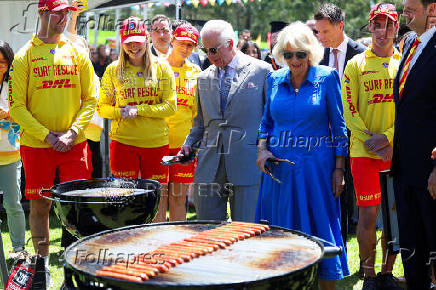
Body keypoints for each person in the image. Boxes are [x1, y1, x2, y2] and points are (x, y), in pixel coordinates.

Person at [255, 21, 349, 290]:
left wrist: (339, 170)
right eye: (288, 54)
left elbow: (339, 127)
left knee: (318, 229)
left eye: (300, 54)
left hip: (316, 171)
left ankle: (325, 283)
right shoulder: (273, 79)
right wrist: (262, 150)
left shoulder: (327, 77)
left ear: (310, 52)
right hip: (279, 171)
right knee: (280, 232)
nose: (294, 60)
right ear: (280, 55)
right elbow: (266, 123)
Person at [9, 0, 96, 283]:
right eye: (58, 12)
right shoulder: (24, 56)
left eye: (66, 13)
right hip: (37, 145)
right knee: (40, 204)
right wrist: (46, 134)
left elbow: (91, 98)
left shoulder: (77, 51)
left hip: (75, 143)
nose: (63, 17)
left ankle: (74, 266)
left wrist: (72, 132)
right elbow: (18, 107)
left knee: (76, 204)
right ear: (42, 13)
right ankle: (42, 265)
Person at [180, 20, 271, 222]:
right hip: (209, 166)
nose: (209, 56)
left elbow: (270, 119)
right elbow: (200, 123)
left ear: (230, 44)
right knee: (206, 232)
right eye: (205, 50)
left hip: (247, 164)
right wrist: (188, 145)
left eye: (213, 50)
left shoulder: (262, 71)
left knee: (246, 231)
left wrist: (265, 149)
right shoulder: (203, 78)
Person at [341, 3, 402, 289]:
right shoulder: (355, 64)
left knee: (393, 215)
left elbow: (409, 109)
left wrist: (388, 137)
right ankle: (368, 274)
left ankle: (388, 272)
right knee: (368, 213)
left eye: (388, 24)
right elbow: (348, 109)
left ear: (396, 27)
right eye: (377, 24)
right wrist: (371, 140)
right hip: (364, 151)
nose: (383, 31)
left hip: (396, 150)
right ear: (371, 27)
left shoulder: (403, 63)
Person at [98, 16, 176, 184]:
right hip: (123, 144)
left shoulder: (161, 67)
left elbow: (171, 107)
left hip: (156, 143)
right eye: (128, 42)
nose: (133, 47)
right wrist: (120, 112)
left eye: (138, 41)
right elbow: (101, 108)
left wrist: (138, 110)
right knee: (124, 200)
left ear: (146, 40)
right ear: (122, 42)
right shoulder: (113, 70)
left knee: (157, 199)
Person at [391, 0, 436, 288]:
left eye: (411, 9)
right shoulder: (410, 45)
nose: (404, 14)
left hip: (430, 171)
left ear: (432, 8)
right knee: (412, 249)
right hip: (405, 168)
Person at [315, 3, 366, 251]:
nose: (320, 37)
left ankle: (347, 249)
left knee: (351, 193)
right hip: (323, 137)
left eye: (325, 32)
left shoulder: (361, 54)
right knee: (328, 189)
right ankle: (331, 244)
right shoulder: (316, 56)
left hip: (354, 135)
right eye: (317, 32)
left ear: (340, 26)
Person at [154, 24, 201, 222]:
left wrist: (194, 145)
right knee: (160, 196)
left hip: (184, 146)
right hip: (157, 143)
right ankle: (159, 243)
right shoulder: (155, 66)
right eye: (182, 43)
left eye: (190, 45)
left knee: (179, 196)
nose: (185, 48)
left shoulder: (196, 72)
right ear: (172, 40)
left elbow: (196, 113)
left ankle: (176, 243)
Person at [0, 40, 26, 256]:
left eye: (2, 61)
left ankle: (19, 249)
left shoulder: (15, 83)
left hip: (10, 153)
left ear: (9, 62)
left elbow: (25, 114)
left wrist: (8, 115)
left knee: (13, 204)